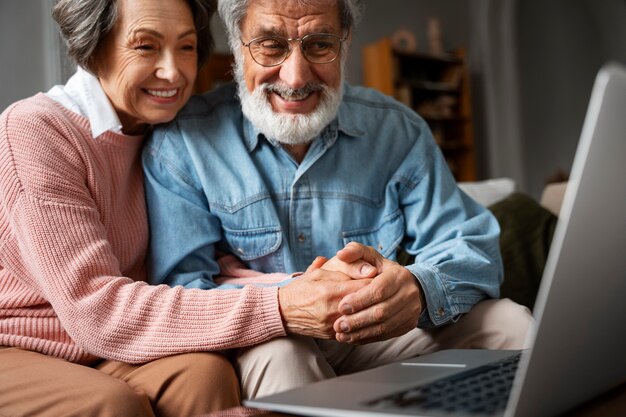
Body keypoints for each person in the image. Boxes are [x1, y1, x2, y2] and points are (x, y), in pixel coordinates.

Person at [142, 0, 534, 401]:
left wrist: (417, 288)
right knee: (283, 355)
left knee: (510, 324)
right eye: (271, 46)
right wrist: (286, 302)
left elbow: (473, 247)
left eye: (319, 45)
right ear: (237, 45)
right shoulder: (183, 142)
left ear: (345, 44)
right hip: (269, 340)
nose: (295, 77)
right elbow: (181, 290)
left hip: (379, 335)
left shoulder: (397, 130)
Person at [0, 0, 362, 415]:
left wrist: (315, 282)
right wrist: (279, 306)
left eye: (186, 47)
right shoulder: (36, 131)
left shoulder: (169, 130)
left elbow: (209, 257)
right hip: (22, 342)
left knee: (205, 373)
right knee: (112, 404)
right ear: (93, 47)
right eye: (146, 47)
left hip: (111, 347)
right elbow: (95, 311)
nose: (173, 72)